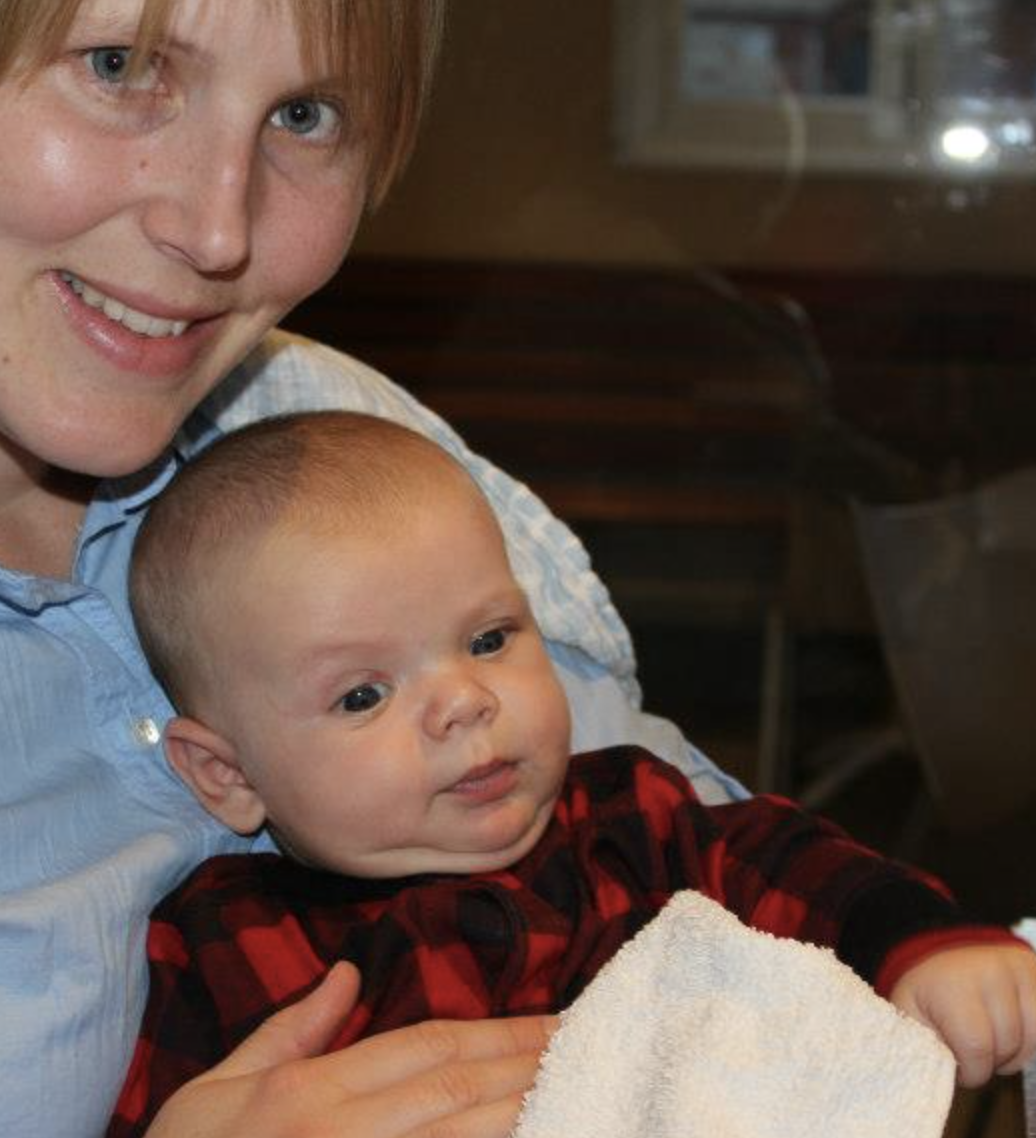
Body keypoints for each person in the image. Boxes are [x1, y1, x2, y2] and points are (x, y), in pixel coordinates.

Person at [0, 2, 744, 1136]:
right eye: (118, 66)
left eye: (303, 115)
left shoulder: (341, 461)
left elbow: (733, 896)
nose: (216, 227)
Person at [112, 409, 1036, 1137]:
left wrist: (925, 944)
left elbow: (799, 868)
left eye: (488, 639)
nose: (465, 700)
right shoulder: (224, 940)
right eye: (363, 695)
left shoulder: (632, 818)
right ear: (227, 775)